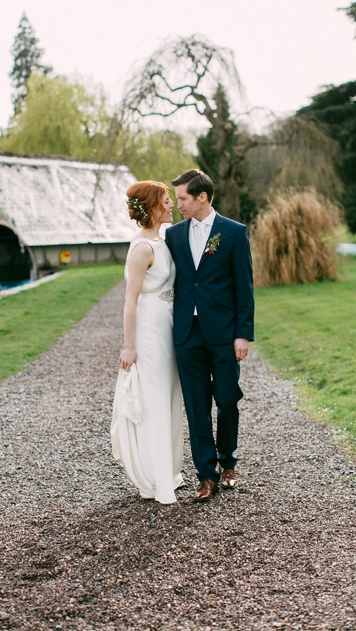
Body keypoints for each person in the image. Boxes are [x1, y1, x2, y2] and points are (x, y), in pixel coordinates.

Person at [166, 169, 255, 502]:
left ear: (202, 197)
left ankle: (228, 461)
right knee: (195, 404)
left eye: (183, 199)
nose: (179, 206)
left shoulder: (233, 232)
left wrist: (242, 334)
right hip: (187, 333)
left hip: (223, 332)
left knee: (228, 398)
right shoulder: (173, 235)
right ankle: (206, 475)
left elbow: (244, 287)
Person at [111, 180, 185, 504]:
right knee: (154, 398)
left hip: (167, 323)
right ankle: (155, 478)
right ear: (153, 206)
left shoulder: (164, 238)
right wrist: (130, 346)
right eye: (166, 201)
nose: (171, 205)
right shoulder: (142, 248)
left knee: (169, 395)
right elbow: (130, 300)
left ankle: (169, 471)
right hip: (150, 328)